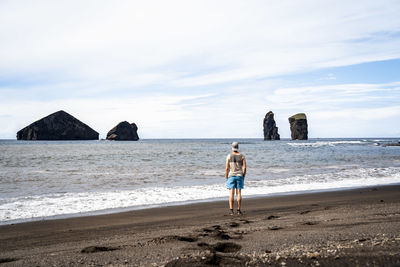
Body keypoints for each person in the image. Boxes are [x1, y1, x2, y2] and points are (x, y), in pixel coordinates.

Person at [225, 141, 246, 215]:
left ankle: (231, 211)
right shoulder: (242, 156)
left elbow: (227, 168)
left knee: (231, 193)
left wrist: (226, 177)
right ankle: (238, 210)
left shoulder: (229, 156)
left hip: (231, 176)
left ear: (232, 147)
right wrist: (243, 176)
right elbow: (244, 168)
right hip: (239, 175)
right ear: (238, 147)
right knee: (239, 193)